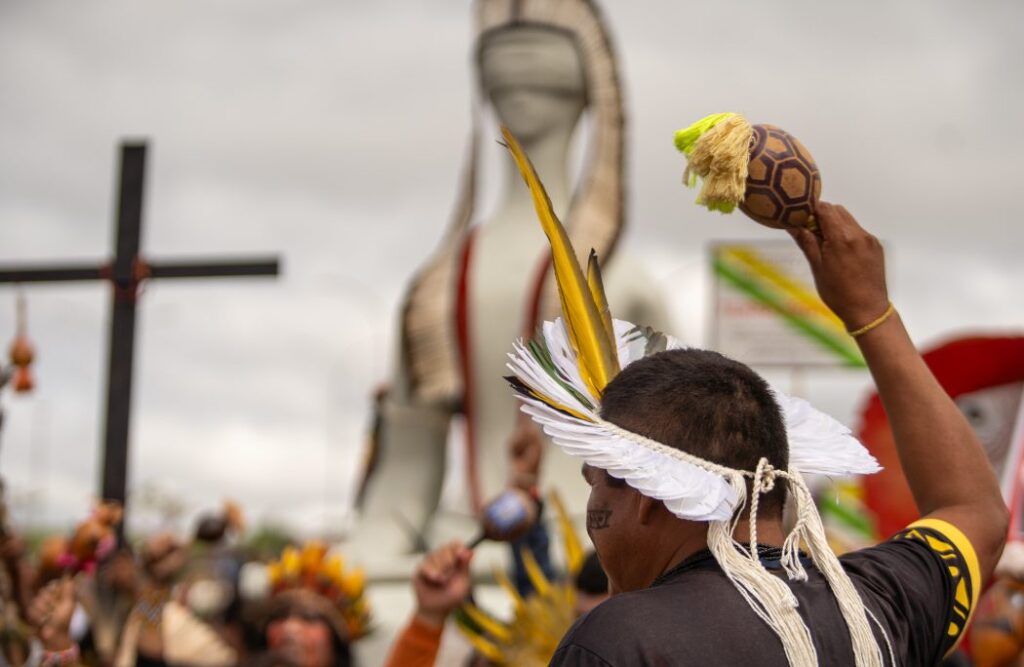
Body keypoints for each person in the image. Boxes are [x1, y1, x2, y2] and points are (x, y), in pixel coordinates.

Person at [501, 151, 1008, 667]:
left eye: (596, 481)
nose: (593, 513)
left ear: (647, 494)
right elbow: (976, 512)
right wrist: (870, 311)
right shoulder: (879, 605)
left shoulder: (621, 641)